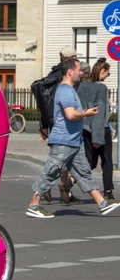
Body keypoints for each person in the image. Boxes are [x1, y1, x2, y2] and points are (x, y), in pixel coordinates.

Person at [26, 58, 120, 218]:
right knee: (52, 171)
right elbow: (70, 115)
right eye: (78, 69)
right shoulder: (65, 90)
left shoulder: (71, 89)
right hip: (64, 141)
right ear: (70, 72)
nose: (81, 72)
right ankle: (34, 205)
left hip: (74, 142)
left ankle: (102, 203)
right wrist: (86, 113)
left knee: (83, 173)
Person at [31, 46, 81, 205]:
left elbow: (46, 101)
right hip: (64, 120)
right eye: (74, 57)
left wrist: (45, 125)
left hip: (55, 120)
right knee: (61, 157)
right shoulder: (65, 75)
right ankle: (49, 187)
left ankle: (60, 188)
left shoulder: (52, 74)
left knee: (59, 157)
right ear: (70, 58)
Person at [77, 57, 114, 200]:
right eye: (107, 72)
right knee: (106, 161)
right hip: (100, 129)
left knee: (90, 160)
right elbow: (100, 113)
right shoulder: (101, 88)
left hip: (85, 127)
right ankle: (108, 191)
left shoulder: (82, 86)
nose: (107, 75)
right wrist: (98, 137)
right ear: (102, 71)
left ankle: (69, 182)